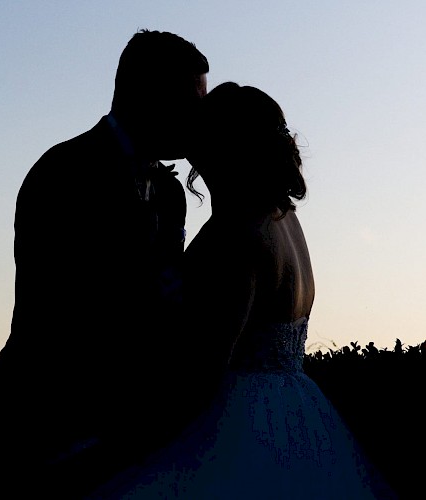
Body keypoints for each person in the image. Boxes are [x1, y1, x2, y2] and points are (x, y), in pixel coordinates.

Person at [85, 82, 398, 499]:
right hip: (297, 412)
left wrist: (116, 451)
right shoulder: (284, 218)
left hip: (238, 425)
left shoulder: (236, 236)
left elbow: (201, 374)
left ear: (221, 146)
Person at [0, 29, 209, 496]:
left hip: (135, 430)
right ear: (146, 94)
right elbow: (55, 305)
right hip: (49, 424)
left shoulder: (170, 193)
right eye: (188, 102)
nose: (198, 120)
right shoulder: (63, 172)